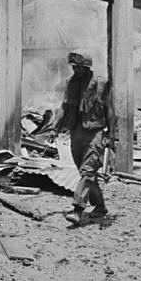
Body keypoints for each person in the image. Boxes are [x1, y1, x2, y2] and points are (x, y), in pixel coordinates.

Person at [54, 49, 113, 226]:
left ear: (87, 67)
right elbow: (64, 106)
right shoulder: (70, 83)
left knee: (88, 171)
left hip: (94, 132)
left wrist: (111, 135)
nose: (75, 71)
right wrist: (54, 127)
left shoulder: (102, 84)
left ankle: (77, 209)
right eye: (74, 67)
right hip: (76, 131)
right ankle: (100, 207)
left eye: (79, 67)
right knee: (85, 172)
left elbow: (110, 111)